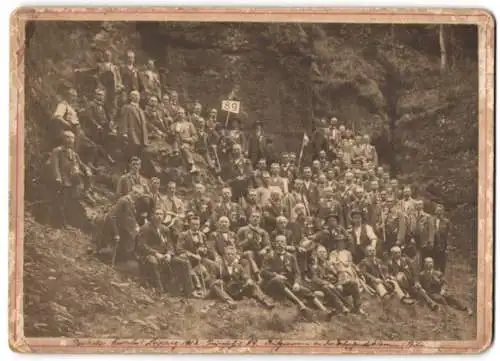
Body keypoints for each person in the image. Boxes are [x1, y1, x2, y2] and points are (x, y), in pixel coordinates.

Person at [261, 235, 330, 315]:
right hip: (272, 285)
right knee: (278, 280)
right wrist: (275, 275)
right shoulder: (270, 256)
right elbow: (263, 272)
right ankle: (300, 304)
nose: (280, 244)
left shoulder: (291, 257)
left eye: (282, 242)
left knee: (306, 291)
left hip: (287, 283)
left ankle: (325, 311)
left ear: (286, 243)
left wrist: (296, 283)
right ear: (275, 244)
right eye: (277, 242)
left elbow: (297, 273)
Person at [45, 130, 93, 227]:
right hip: (63, 180)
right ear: (63, 139)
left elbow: (81, 164)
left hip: (73, 180)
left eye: (72, 138)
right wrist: (58, 177)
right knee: (61, 201)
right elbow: (55, 166)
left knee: (71, 201)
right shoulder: (57, 151)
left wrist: (87, 169)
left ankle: (70, 221)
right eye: (68, 138)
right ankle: (57, 223)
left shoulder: (73, 153)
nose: (71, 140)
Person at [209, 245, 275, 309]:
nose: (230, 256)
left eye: (232, 254)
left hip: (237, 291)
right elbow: (211, 280)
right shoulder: (219, 266)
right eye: (228, 254)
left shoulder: (239, 266)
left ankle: (265, 301)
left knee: (253, 284)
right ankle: (229, 301)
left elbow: (245, 276)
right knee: (215, 286)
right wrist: (216, 281)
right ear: (224, 256)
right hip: (225, 291)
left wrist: (248, 280)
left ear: (235, 256)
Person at [99, 184, 145, 264]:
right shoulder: (123, 201)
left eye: (140, 195)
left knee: (137, 236)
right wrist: (116, 233)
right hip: (112, 228)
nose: (138, 197)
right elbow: (112, 216)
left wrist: (136, 225)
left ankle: (130, 255)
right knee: (116, 251)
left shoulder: (132, 202)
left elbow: (129, 216)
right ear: (133, 192)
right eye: (137, 194)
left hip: (123, 227)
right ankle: (106, 253)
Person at [386, 246, 438, 311]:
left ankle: (431, 303)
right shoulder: (390, 263)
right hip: (401, 285)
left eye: (399, 252)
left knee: (420, 289)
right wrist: (391, 277)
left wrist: (416, 281)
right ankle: (409, 299)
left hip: (411, 283)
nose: (398, 254)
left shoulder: (405, 260)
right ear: (392, 254)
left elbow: (414, 272)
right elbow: (388, 274)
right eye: (396, 253)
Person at [174, 215, 214, 298]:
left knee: (211, 265)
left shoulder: (202, 235)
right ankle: (193, 290)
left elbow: (206, 248)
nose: (196, 226)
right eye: (193, 224)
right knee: (186, 262)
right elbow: (179, 249)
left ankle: (211, 288)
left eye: (197, 224)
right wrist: (193, 255)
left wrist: (204, 250)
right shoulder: (183, 235)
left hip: (199, 260)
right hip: (186, 260)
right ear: (189, 225)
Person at [136, 207, 174, 294]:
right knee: (153, 261)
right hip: (148, 254)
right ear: (152, 216)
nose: (159, 216)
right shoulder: (145, 228)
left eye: (161, 214)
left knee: (180, 261)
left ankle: (177, 290)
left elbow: (170, 244)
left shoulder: (165, 229)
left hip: (163, 254)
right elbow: (142, 245)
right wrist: (156, 253)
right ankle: (159, 289)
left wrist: (169, 253)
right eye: (157, 214)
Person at [309, 245, 351, 314]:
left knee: (350, 284)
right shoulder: (313, 264)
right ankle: (342, 306)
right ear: (316, 254)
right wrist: (327, 283)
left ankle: (347, 306)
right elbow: (314, 278)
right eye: (320, 252)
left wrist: (339, 283)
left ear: (326, 254)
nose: (322, 254)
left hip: (330, 284)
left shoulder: (328, 263)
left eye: (324, 252)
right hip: (318, 285)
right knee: (327, 287)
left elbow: (339, 273)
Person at [237, 211, 271, 280]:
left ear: (260, 219)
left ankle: (264, 277)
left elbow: (268, 245)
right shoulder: (242, 230)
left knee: (265, 256)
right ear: (249, 218)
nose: (255, 218)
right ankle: (257, 275)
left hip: (259, 253)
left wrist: (264, 250)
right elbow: (237, 245)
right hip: (245, 253)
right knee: (250, 253)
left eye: (257, 217)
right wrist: (247, 240)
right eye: (253, 216)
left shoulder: (262, 231)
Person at [118, 90, 148, 163]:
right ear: (131, 97)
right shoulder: (127, 107)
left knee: (140, 154)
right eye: (135, 95)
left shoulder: (140, 110)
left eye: (138, 95)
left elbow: (143, 124)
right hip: (132, 134)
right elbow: (124, 120)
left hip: (142, 136)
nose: (137, 97)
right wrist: (124, 132)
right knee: (132, 153)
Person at [171, 107, 198, 173]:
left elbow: (195, 136)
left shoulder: (189, 124)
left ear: (184, 115)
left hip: (187, 144)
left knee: (184, 147)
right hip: (176, 144)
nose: (180, 115)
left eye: (182, 113)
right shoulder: (173, 125)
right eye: (179, 113)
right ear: (177, 114)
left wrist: (188, 139)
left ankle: (192, 164)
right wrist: (173, 132)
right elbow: (170, 135)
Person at [433, 203, 450, 273]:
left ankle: (442, 278)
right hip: (433, 244)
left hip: (442, 245)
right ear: (435, 211)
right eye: (437, 210)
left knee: (442, 263)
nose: (439, 212)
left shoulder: (446, 221)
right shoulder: (431, 220)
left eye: (440, 210)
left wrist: (447, 246)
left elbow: (447, 235)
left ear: (443, 211)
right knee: (434, 262)